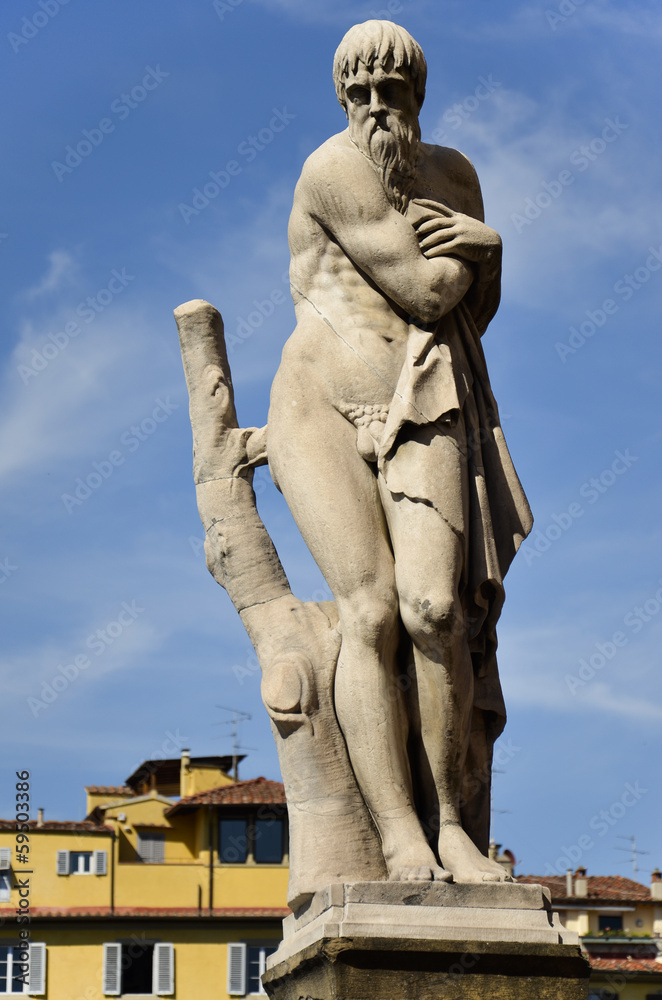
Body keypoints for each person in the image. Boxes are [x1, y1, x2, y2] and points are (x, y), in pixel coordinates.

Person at [267, 20, 532, 883]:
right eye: (360, 94)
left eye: (393, 91)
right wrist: (480, 247)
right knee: (372, 610)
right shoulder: (331, 170)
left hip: (425, 392)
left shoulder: (457, 177)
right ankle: (397, 836)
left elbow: (468, 319)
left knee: (434, 612)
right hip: (321, 403)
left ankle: (452, 824)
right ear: (341, 99)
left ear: (420, 94)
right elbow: (426, 291)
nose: (377, 109)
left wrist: (480, 246)